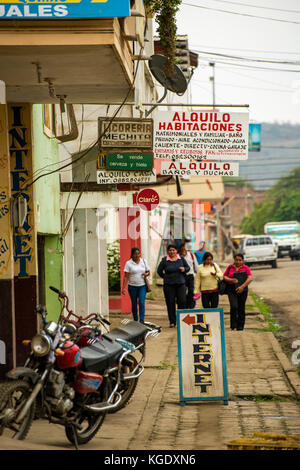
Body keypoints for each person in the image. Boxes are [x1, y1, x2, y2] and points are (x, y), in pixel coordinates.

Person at [157, 244, 190, 328]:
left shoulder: (181, 259)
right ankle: (172, 322)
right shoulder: (164, 260)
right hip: (169, 285)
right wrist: (165, 277)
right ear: (168, 252)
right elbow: (159, 271)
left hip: (180, 284)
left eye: (173, 250)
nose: (172, 252)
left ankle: (182, 320)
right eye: (170, 250)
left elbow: (188, 268)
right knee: (170, 303)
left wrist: (184, 269)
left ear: (176, 251)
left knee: (182, 301)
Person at [223, 253, 253, 331]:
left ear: (242, 261)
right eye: (236, 260)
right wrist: (231, 280)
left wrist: (242, 287)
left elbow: (250, 278)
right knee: (233, 306)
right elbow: (224, 276)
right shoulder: (230, 267)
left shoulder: (246, 268)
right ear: (234, 260)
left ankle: (240, 326)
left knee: (241, 308)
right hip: (231, 289)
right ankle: (233, 325)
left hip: (243, 290)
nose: (238, 261)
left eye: (240, 260)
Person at [122, 247, 150, 323]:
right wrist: (123, 288)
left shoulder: (143, 261)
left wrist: (146, 274)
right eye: (135, 254)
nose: (137, 255)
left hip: (142, 286)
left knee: (141, 302)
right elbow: (126, 276)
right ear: (132, 255)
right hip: (132, 287)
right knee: (134, 304)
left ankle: (142, 320)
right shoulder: (128, 263)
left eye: (138, 253)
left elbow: (148, 272)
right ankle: (135, 319)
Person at [179, 244, 198, 309]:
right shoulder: (178, 257)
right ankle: (184, 306)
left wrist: (196, 276)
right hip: (181, 277)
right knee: (182, 292)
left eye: (185, 249)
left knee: (191, 292)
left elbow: (196, 266)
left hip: (190, 276)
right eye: (182, 249)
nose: (184, 250)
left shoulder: (191, 255)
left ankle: (191, 306)